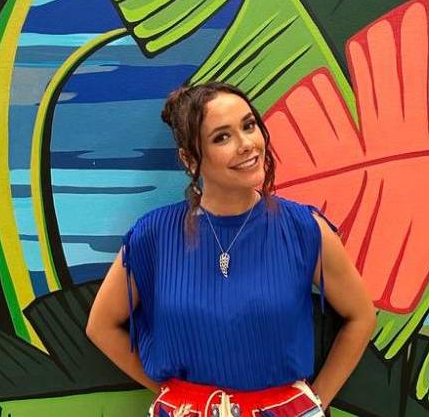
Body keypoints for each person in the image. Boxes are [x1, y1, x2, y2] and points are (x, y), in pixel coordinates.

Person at [86, 81, 376, 416]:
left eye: (249, 126)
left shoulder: (305, 230)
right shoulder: (152, 235)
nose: (246, 145)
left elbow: (361, 315)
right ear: (190, 160)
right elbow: (101, 326)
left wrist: (314, 405)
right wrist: (178, 397)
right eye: (222, 137)